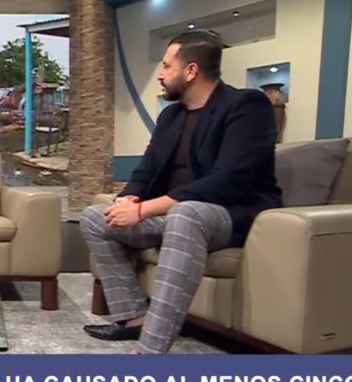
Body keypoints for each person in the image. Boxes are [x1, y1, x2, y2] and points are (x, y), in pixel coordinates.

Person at [79, 29, 282, 354]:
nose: (159, 75)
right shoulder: (170, 115)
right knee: (95, 217)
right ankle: (133, 317)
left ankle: (150, 350)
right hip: (174, 216)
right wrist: (128, 199)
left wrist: (143, 210)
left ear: (191, 71)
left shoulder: (246, 105)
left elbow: (228, 181)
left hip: (227, 214)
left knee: (186, 214)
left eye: (166, 66)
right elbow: (146, 169)